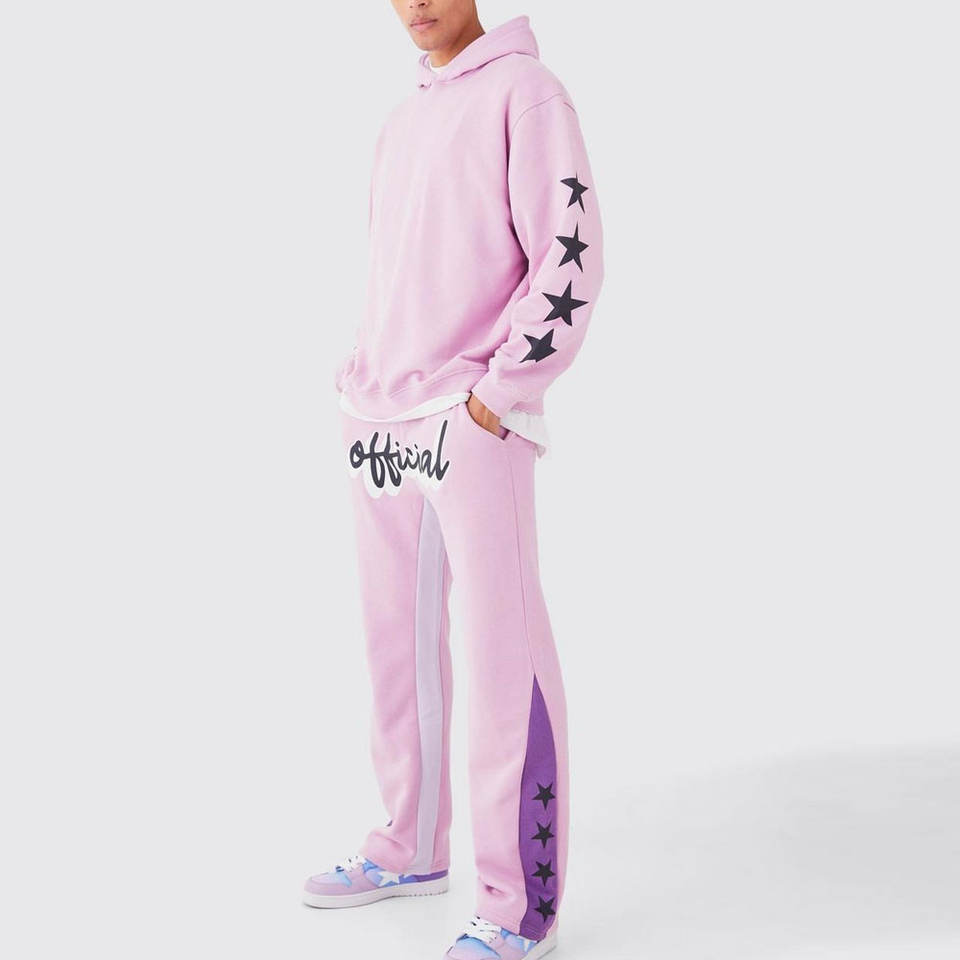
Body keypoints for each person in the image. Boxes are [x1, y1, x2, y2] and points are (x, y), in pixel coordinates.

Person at [303, 3, 603, 958]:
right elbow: (397, 270)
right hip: (379, 419)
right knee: (396, 650)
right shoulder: (404, 118)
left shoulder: (528, 93)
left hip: (470, 420)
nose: (416, 2)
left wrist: (499, 394)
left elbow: (570, 256)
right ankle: (410, 846)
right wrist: (360, 378)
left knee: (503, 655)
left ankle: (518, 905)